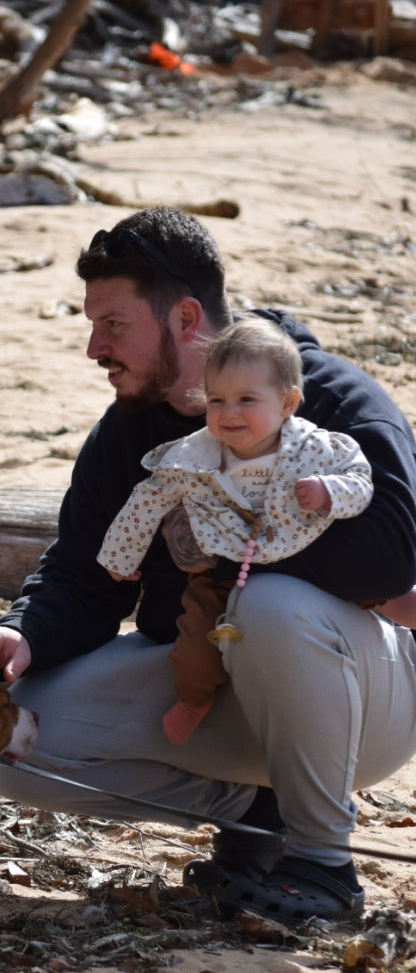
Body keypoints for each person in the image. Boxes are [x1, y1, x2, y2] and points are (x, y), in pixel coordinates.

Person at [0, 207, 416, 923]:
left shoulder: (329, 401)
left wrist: (231, 528)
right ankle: (261, 815)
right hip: (206, 682)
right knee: (11, 738)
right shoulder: (130, 434)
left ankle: (323, 864)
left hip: (362, 701)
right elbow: (82, 575)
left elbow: (393, 556)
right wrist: (21, 634)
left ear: (186, 316)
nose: (94, 347)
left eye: (113, 325)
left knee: (268, 605)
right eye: (92, 324)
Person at [99, 318, 374, 744]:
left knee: (362, 579)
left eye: (246, 399)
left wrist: (329, 491)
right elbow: (146, 501)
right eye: (216, 400)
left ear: (287, 403)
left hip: (305, 559)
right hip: (224, 570)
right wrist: (121, 555)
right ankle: (193, 700)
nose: (229, 413)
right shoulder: (194, 457)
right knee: (195, 642)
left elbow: (361, 480)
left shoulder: (315, 448)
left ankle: (395, 605)